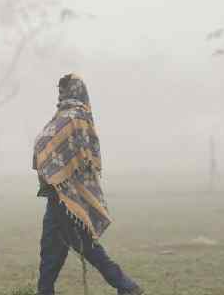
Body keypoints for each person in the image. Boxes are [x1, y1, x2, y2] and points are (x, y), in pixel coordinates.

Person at [31, 73, 144, 295]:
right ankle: (45, 291)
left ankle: (127, 286)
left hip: (70, 196)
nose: (60, 93)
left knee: (85, 247)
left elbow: (53, 145)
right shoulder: (71, 115)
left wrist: (51, 164)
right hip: (60, 194)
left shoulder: (74, 117)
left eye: (64, 89)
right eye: (60, 89)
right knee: (52, 248)